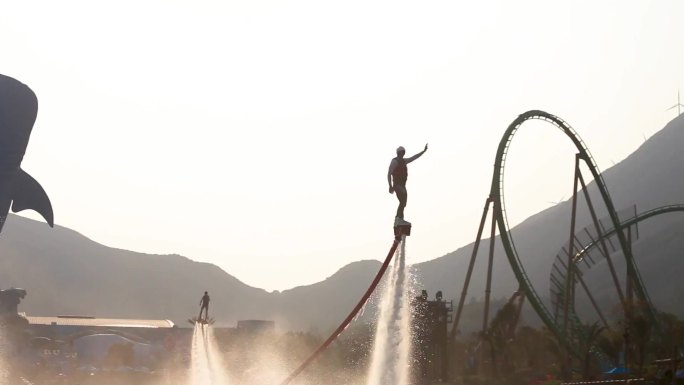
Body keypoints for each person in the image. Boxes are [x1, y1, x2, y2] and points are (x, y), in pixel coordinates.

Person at [388, 144, 428, 223]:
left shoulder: (404, 161)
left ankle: (400, 219)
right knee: (402, 201)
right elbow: (389, 173)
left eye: (403, 152)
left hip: (403, 185)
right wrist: (390, 186)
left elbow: (414, 157)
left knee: (404, 202)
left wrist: (423, 151)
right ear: (398, 153)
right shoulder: (394, 161)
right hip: (397, 184)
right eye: (401, 152)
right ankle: (398, 218)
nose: (402, 154)